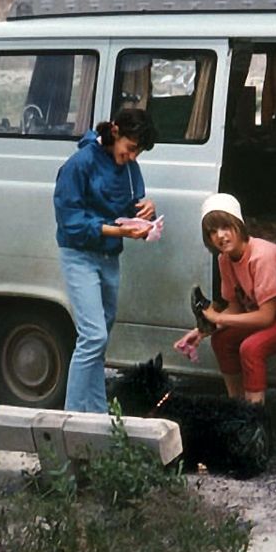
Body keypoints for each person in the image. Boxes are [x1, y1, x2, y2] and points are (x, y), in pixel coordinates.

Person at [53, 109, 157, 413]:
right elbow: (70, 222)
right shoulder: (79, 164)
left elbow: (132, 202)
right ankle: (71, 417)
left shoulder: (129, 166)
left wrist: (146, 210)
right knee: (92, 335)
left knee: (101, 339)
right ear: (115, 131)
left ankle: (97, 415)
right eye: (131, 147)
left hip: (110, 256)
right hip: (79, 255)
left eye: (139, 151)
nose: (133, 155)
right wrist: (117, 229)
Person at [175, 193, 276, 404]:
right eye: (212, 232)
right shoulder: (224, 259)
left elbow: (265, 318)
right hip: (275, 310)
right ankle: (236, 406)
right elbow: (234, 307)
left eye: (226, 227)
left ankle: (253, 419)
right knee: (222, 340)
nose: (220, 236)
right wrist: (203, 330)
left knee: (252, 348)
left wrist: (218, 318)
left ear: (239, 225)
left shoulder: (262, 256)